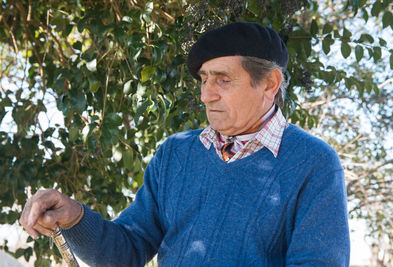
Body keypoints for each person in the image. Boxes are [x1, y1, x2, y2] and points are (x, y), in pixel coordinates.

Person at [20, 22, 350, 266]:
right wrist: (75, 217)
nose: (206, 95)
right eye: (204, 80)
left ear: (269, 83)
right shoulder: (175, 153)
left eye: (223, 80)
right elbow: (129, 250)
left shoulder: (313, 162)